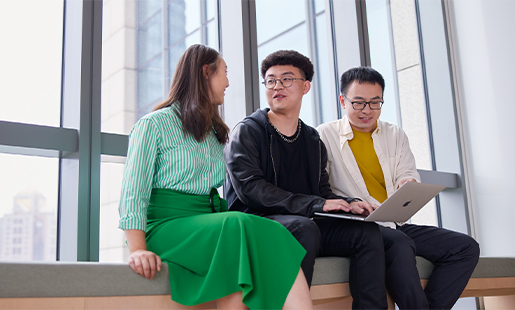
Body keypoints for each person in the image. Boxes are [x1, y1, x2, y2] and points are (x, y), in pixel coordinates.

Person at [118, 44, 313, 310]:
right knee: (239, 224)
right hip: (165, 226)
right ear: (205, 72)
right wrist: (137, 249)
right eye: (225, 72)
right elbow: (133, 192)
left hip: (207, 227)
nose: (228, 82)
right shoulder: (153, 125)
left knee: (261, 247)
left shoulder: (213, 132)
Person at [224, 50, 388, 309]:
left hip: (299, 220)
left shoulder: (312, 139)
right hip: (254, 222)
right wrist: (315, 205)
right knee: (304, 228)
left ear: (305, 86)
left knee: (365, 232)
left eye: (287, 79)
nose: (277, 86)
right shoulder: (247, 131)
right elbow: (250, 190)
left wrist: (348, 202)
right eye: (271, 80)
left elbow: (321, 192)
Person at [317, 66, 480, 310]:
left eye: (375, 103)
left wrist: (408, 183)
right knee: (400, 244)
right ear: (343, 100)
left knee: (465, 247)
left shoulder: (395, 134)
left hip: (394, 222)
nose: (367, 111)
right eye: (359, 103)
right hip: (358, 228)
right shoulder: (323, 135)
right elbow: (320, 190)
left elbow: (407, 172)